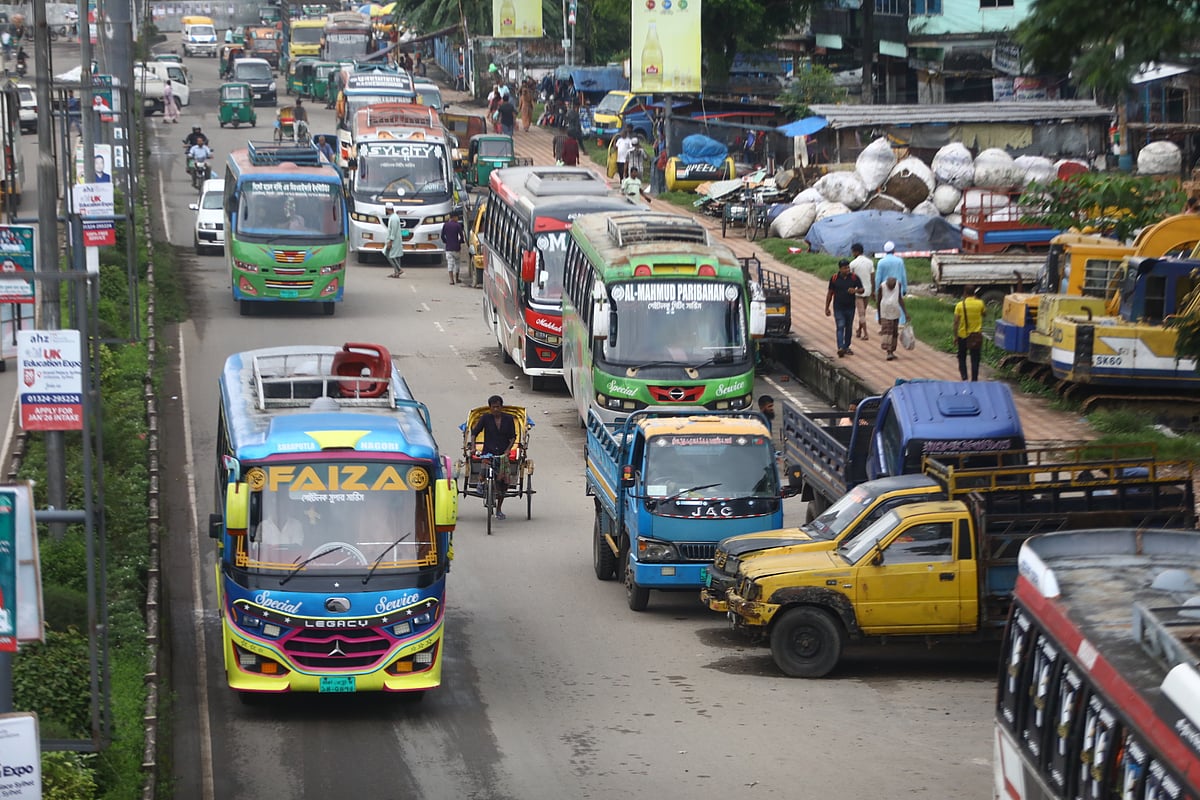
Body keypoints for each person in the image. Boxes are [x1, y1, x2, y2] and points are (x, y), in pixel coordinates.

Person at [469, 395, 518, 520]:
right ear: (490, 408)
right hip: (488, 452)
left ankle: (499, 509)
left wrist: (508, 450)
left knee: (502, 485)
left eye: (498, 407)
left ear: (501, 407)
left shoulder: (508, 419)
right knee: (484, 471)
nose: (496, 409)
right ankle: (481, 483)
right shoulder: (485, 418)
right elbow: (474, 433)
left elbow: (513, 437)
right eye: (493, 407)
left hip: (502, 454)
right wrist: (473, 447)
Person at [825, 258, 863, 358]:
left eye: (848, 267)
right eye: (845, 268)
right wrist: (827, 307)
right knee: (840, 326)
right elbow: (830, 293)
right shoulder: (834, 278)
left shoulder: (854, 278)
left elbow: (862, 289)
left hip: (850, 307)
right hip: (838, 307)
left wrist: (855, 291)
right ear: (840, 269)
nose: (847, 270)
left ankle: (846, 346)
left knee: (849, 327)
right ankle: (840, 347)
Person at [954, 284, 986, 381]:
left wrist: (955, 336)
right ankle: (974, 379)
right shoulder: (980, 303)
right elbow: (984, 314)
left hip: (963, 335)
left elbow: (956, 322)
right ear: (974, 293)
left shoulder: (959, 305)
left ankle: (964, 377)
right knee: (975, 358)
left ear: (964, 293)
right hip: (976, 336)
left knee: (962, 357)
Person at [874, 240, 909, 326]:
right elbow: (903, 275)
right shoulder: (899, 261)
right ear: (894, 250)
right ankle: (899, 323)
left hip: (884, 288)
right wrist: (904, 288)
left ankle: (885, 323)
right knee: (897, 303)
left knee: (885, 304)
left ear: (885, 251)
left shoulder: (881, 262)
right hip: (897, 286)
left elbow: (878, 277)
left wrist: (877, 290)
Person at [878, 275, 907, 361]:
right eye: (890, 287)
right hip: (885, 312)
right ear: (886, 284)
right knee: (888, 332)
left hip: (895, 311)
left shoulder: (898, 285)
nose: (891, 288)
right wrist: (879, 315)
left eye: (893, 286)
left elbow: (900, 298)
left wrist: (905, 313)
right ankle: (889, 352)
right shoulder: (882, 287)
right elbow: (878, 301)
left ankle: (892, 350)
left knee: (894, 332)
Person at [848, 242, 873, 341]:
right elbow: (872, 276)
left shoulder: (853, 264)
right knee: (863, 312)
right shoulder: (870, 262)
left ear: (856, 252)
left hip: (858, 291)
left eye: (853, 252)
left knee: (861, 313)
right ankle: (859, 329)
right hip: (868, 289)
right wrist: (873, 290)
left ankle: (866, 333)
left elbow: (850, 278)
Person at [441, 212, 465, 285]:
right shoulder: (458, 225)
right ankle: (457, 279)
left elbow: (442, 236)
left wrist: (446, 242)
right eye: (457, 217)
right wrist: (460, 242)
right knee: (457, 263)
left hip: (448, 248)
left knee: (450, 264)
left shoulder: (445, 225)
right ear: (454, 217)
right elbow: (461, 236)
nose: (457, 219)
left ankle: (451, 280)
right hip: (456, 248)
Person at [383, 203, 405, 277]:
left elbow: (393, 231)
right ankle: (396, 273)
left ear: (388, 209)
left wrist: (390, 241)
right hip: (395, 239)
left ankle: (399, 269)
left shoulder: (394, 218)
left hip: (394, 240)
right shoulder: (394, 217)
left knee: (389, 254)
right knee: (396, 255)